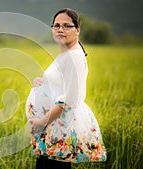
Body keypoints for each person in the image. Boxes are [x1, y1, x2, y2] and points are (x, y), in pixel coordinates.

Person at [26, 8, 107, 169]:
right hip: (54, 126)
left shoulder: (74, 57)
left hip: (59, 127)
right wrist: (42, 83)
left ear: (78, 30)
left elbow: (69, 99)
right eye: (56, 25)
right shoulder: (65, 53)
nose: (60, 29)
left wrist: (41, 122)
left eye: (66, 26)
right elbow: (60, 84)